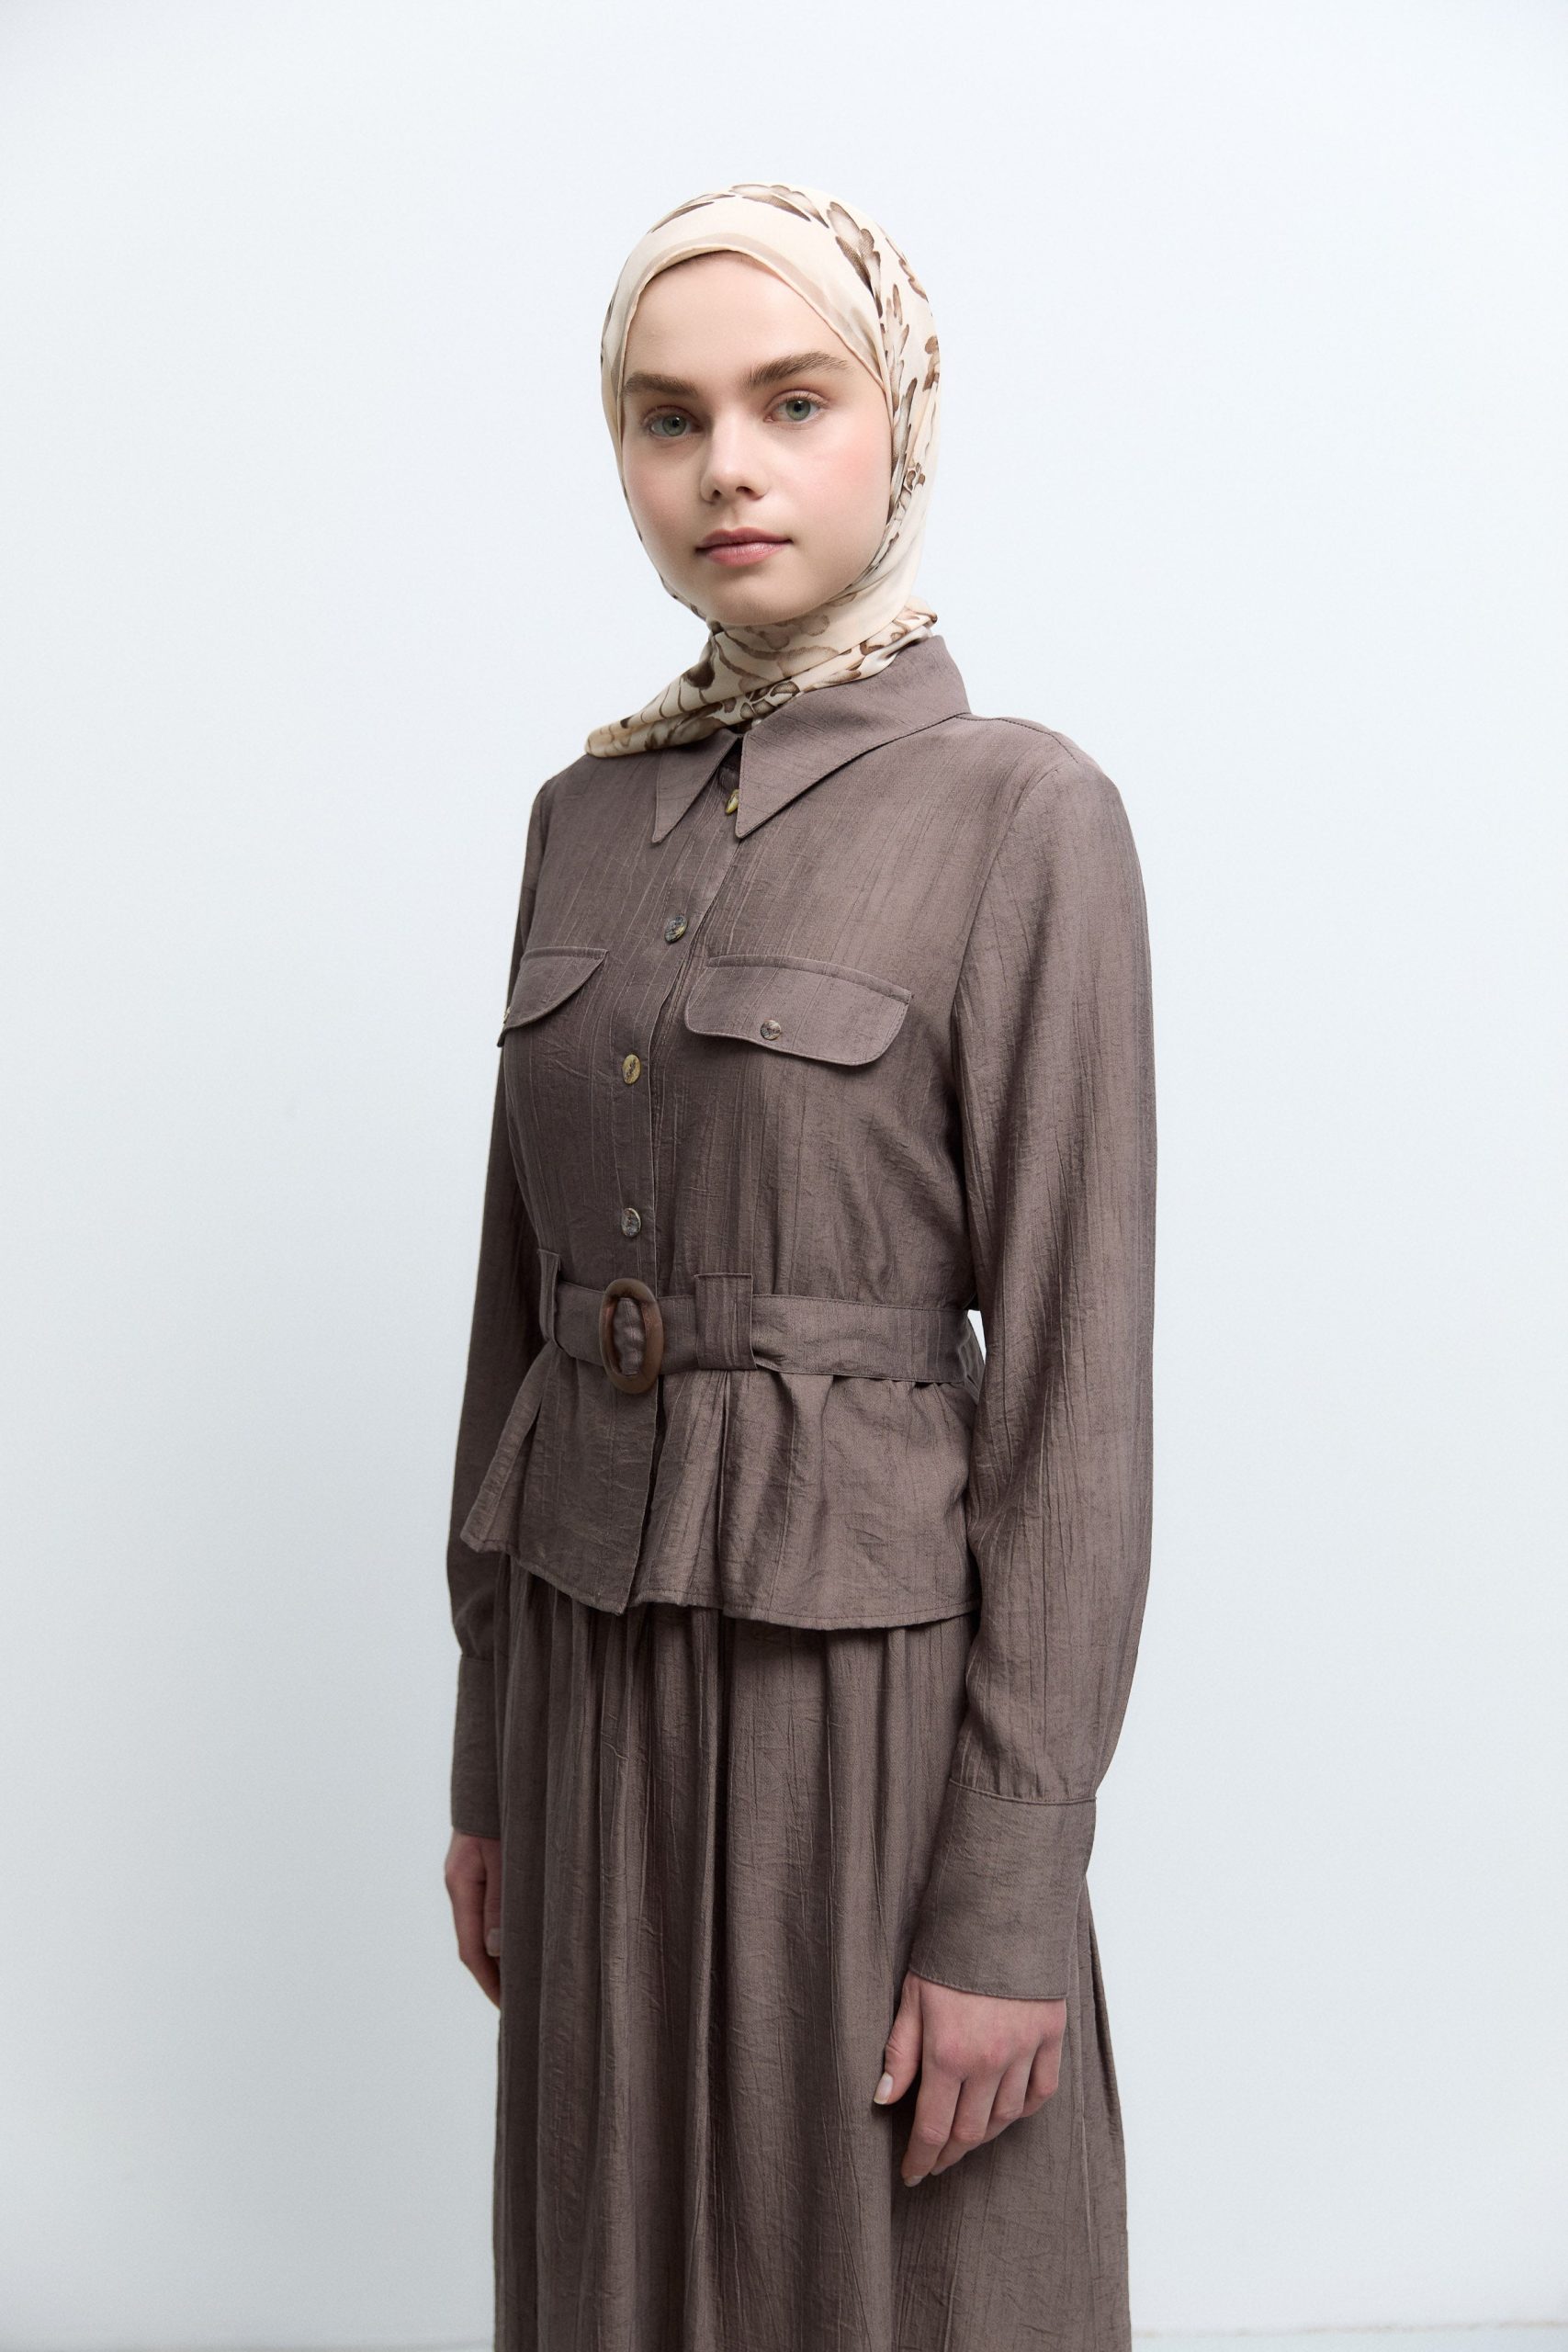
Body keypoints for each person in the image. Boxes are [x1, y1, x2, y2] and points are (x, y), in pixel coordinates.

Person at [441, 180, 1156, 2352]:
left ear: (894, 423)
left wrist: (1008, 1886)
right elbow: (514, 1323)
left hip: (860, 1709)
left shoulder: (1019, 812)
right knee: (610, 2264)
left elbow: (1074, 1385)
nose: (724, 466)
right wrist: (486, 1758)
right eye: (665, 419)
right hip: (585, 1694)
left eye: (790, 401)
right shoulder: (579, 822)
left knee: (893, 2268)